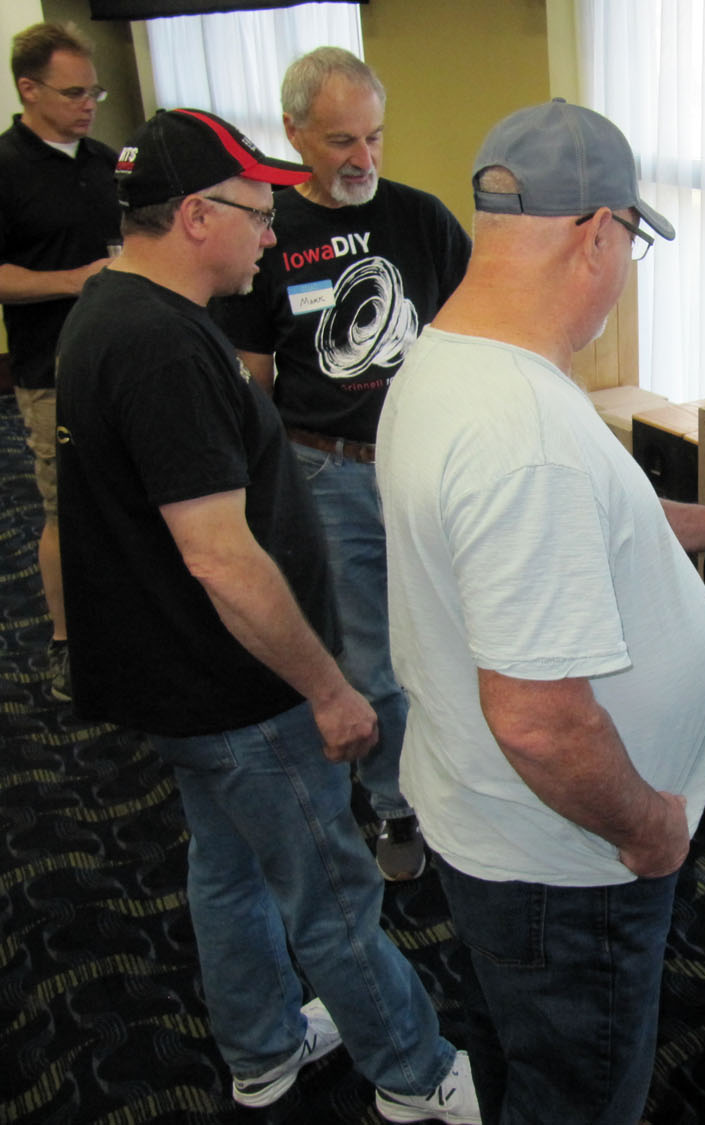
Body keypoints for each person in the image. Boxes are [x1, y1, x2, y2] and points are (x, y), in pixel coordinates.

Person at [376, 98, 705, 1124]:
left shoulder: (450, 360)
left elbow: (587, 525)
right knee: (578, 1096)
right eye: (631, 246)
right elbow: (538, 719)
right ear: (598, 233)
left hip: (486, 826)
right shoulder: (523, 432)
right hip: (568, 864)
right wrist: (652, 829)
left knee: (514, 1058)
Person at [53, 107, 479, 1125]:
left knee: (228, 869)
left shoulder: (114, 309)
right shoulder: (163, 349)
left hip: (185, 687)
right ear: (196, 216)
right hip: (241, 690)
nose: (272, 231)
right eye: (255, 211)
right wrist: (327, 689)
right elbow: (219, 555)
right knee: (332, 892)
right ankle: (415, 1074)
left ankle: (263, 1046)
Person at [212, 46, 470, 881]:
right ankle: (395, 804)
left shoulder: (422, 218)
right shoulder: (268, 233)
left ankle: (466, 790)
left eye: (375, 137)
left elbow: (480, 333)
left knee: (456, 639)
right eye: (340, 141)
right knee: (371, 659)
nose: (364, 158)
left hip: (430, 466)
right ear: (293, 133)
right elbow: (253, 381)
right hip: (331, 473)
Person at [0, 22, 119, 702]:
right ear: (29, 89)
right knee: (66, 508)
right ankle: (66, 642)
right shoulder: (5, 168)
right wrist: (73, 280)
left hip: (121, 361)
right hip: (50, 369)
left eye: (94, 92)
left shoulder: (108, 162)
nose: (88, 105)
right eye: (74, 93)